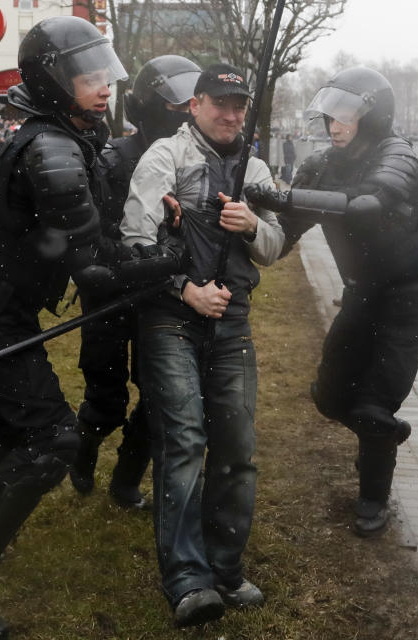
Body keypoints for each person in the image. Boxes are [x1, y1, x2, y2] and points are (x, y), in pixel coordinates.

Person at [0, 17, 186, 640]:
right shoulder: (53, 148)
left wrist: (153, 245)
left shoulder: (67, 134)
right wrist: (168, 261)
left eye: (103, 73)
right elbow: (92, 270)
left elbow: (96, 239)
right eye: (86, 76)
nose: (103, 87)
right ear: (51, 79)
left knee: (13, 434)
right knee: (51, 442)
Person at [120, 62, 284, 627]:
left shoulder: (256, 168)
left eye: (239, 104)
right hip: (171, 319)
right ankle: (188, 579)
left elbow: (274, 246)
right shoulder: (164, 158)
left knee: (237, 448)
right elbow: (135, 243)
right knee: (185, 442)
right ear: (195, 105)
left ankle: (225, 567)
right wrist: (184, 289)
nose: (231, 113)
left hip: (233, 323)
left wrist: (251, 227)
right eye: (219, 102)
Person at [245, 66, 418, 538]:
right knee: (329, 397)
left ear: (373, 117)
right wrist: (244, 225)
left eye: (346, 115)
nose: (335, 126)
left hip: (408, 299)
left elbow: (372, 203)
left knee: (373, 405)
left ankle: (373, 496)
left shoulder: (400, 159)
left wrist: (289, 198)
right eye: (330, 116)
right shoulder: (321, 165)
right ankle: (383, 433)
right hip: (363, 294)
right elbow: (282, 237)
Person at [69, 54, 202, 509]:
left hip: (163, 296)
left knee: (156, 398)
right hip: (111, 292)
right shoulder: (111, 160)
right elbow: (93, 235)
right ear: (147, 105)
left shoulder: (197, 160)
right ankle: (83, 450)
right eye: (177, 105)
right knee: (105, 398)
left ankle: (126, 481)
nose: (185, 113)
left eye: (190, 104)